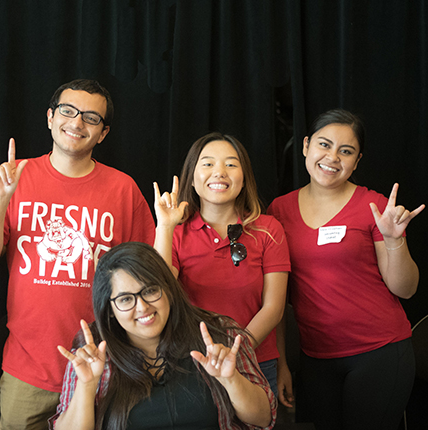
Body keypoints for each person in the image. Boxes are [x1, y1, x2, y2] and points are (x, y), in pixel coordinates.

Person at [0, 79, 155, 429]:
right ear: (50, 117)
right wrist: (0, 200)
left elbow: (148, 275)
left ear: (103, 133)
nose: (77, 123)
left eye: (91, 117)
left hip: (102, 365)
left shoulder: (123, 189)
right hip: (27, 369)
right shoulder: (13, 176)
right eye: (68, 111)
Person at [268, 109, 423, 430]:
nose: (332, 157)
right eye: (324, 145)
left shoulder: (375, 206)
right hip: (316, 358)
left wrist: (395, 240)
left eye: (346, 151)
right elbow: (277, 301)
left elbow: (405, 289)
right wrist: (282, 363)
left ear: (357, 161)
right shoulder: (279, 210)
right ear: (306, 146)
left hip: (379, 352)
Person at [51, 241, 276, 429]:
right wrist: (87, 386)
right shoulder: (92, 353)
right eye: (126, 299)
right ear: (109, 310)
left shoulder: (220, 333)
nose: (142, 307)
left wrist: (231, 380)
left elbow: (264, 418)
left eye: (150, 291)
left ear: (168, 289)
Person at [152, 132, 290, 396]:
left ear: (244, 176)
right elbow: (159, 293)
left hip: (256, 362)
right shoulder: (175, 233)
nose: (219, 172)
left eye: (230, 164)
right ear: (192, 178)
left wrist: (237, 352)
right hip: (192, 363)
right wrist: (165, 226)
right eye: (207, 164)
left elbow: (273, 307)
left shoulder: (268, 229)